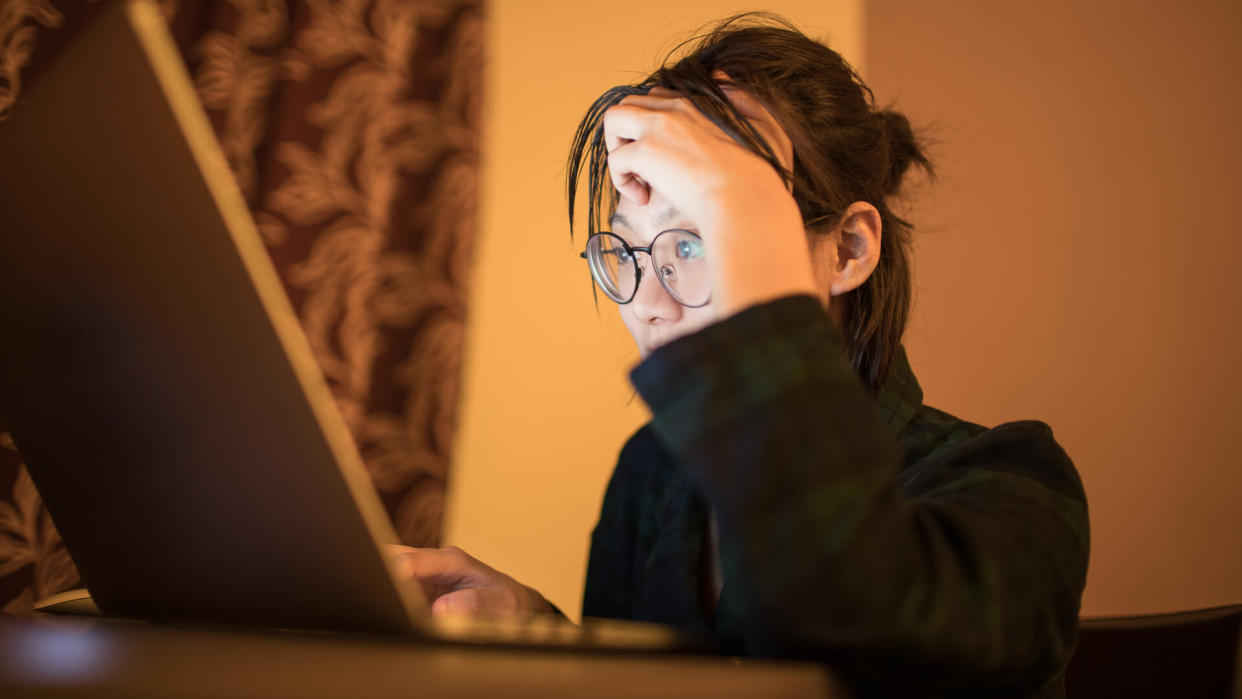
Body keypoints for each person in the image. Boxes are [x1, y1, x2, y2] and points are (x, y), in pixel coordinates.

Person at [391, 14, 1089, 698]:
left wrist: (739, 207)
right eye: (628, 249)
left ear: (848, 249)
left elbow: (844, 616)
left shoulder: (1011, 483)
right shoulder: (650, 470)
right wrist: (544, 638)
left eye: (694, 241)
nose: (649, 303)